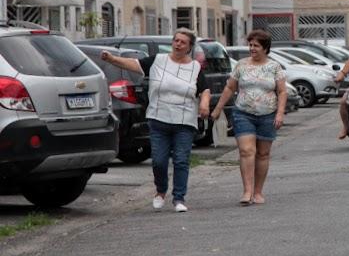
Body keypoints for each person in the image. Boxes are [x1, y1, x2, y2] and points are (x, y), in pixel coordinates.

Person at [100, 28, 211, 212]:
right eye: (176, 40)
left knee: (181, 160)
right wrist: (112, 59)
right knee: (159, 160)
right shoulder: (158, 61)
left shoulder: (195, 68)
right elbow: (133, 64)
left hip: (184, 121)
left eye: (183, 42)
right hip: (158, 118)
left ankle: (179, 198)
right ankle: (160, 191)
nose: (178, 44)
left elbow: (204, 90)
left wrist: (204, 104)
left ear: (189, 47)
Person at [211, 29, 287, 206]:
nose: (252, 48)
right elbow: (230, 88)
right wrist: (217, 108)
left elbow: (282, 91)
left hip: (268, 114)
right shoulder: (241, 65)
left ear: (265, 48)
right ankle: (247, 191)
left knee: (262, 153)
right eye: (250, 45)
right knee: (246, 151)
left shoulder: (275, 67)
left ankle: (258, 192)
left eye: (256, 45)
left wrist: (280, 113)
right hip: (243, 113)